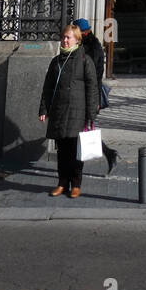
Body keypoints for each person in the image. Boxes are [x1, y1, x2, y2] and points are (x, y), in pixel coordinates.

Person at [38, 23, 98, 198]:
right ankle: (62, 182)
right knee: (62, 151)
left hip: (78, 113)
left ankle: (76, 184)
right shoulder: (55, 61)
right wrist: (43, 108)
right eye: (63, 37)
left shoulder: (85, 60)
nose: (64, 40)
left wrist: (91, 115)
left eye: (68, 37)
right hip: (59, 112)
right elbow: (47, 87)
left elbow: (92, 88)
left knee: (76, 151)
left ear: (77, 40)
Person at [75, 17, 117, 175]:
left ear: (84, 32)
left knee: (82, 129)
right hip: (81, 93)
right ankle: (109, 154)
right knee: (82, 129)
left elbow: (95, 76)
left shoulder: (93, 48)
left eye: (77, 31)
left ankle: (107, 154)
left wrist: (95, 100)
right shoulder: (83, 45)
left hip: (88, 95)